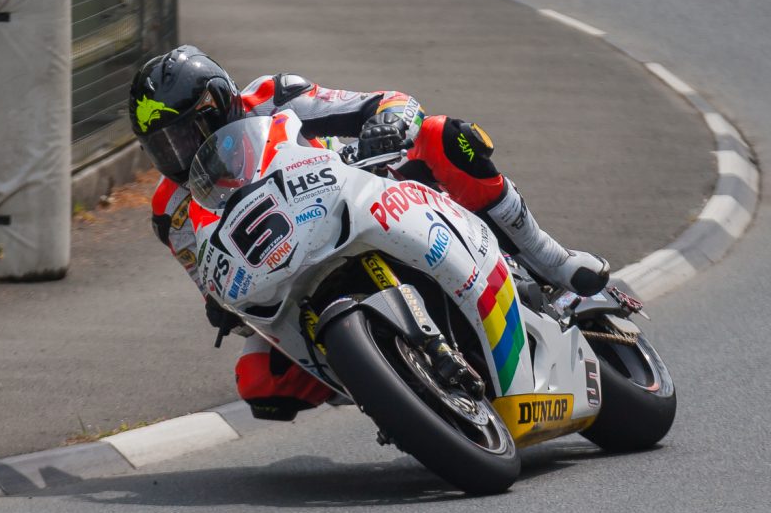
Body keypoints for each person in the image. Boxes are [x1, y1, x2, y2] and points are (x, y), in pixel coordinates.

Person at [129, 45, 609, 421]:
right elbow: (207, 278)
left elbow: (385, 102)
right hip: (290, 271)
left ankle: (551, 259)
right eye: (163, 146)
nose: (180, 153)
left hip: (371, 193)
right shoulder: (170, 211)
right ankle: (388, 382)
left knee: (447, 136)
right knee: (261, 382)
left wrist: (389, 123)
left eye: (187, 133)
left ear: (219, 103)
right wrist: (219, 307)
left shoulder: (273, 97)